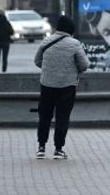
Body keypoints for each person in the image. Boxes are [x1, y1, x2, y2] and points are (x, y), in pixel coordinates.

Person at [34, 15, 89, 160]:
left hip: (47, 85)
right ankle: (58, 149)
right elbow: (84, 65)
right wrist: (72, 71)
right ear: (71, 29)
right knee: (62, 117)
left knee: (44, 116)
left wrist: (49, 70)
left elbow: (37, 61)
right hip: (67, 86)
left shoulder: (46, 41)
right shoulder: (75, 44)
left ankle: (41, 147)